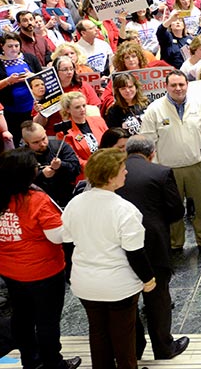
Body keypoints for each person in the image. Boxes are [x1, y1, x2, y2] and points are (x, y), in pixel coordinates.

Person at [62, 148, 156, 369]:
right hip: (117, 285)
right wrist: (148, 279)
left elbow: (67, 240)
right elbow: (135, 252)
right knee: (124, 339)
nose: (126, 173)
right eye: (123, 169)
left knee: (98, 333)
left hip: (85, 282)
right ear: (110, 177)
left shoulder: (75, 203)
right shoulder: (124, 209)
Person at [0, 148, 82, 369]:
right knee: (47, 321)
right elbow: (58, 236)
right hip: (44, 272)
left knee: (22, 317)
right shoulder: (36, 200)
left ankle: (31, 361)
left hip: (10, 271)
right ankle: (53, 363)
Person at [115, 135, 188, 361]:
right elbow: (177, 211)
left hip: (119, 244)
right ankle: (164, 347)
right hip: (153, 243)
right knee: (158, 298)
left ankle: (134, 347)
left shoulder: (112, 173)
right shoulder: (161, 172)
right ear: (152, 153)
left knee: (127, 299)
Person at [140, 70, 201, 253]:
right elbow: (148, 141)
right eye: (173, 85)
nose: (178, 88)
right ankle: (176, 243)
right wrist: (156, 167)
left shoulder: (199, 105)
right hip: (168, 170)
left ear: (187, 85)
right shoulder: (155, 109)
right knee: (173, 209)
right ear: (166, 86)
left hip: (197, 165)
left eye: (181, 84)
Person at [21, 120, 81, 206]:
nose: (42, 144)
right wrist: (41, 175)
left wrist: (61, 165)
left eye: (43, 138)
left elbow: (77, 169)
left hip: (65, 198)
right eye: (36, 142)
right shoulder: (20, 157)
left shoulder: (61, 146)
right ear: (26, 142)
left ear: (45, 133)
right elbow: (18, 181)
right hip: (35, 202)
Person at [0, 33, 41, 146]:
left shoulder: (29, 58)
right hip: (10, 110)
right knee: (15, 140)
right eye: (10, 46)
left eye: (16, 45)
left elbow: (43, 78)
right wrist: (8, 81)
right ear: (2, 46)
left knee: (34, 137)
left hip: (32, 107)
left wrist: (32, 77)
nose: (14, 49)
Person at [58, 91, 108, 181]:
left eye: (84, 105)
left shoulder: (98, 121)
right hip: (86, 174)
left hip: (107, 166)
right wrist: (95, 167)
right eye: (77, 107)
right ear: (68, 109)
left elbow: (110, 143)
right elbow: (74, 158)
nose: (82, 109)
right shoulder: (64, 132)